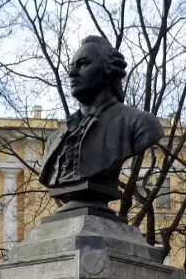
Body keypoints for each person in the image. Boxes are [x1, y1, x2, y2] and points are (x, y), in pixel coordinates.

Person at [39, 36, 163, 199]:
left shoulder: (140, 124)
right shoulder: (54, 140)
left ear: (108, 69)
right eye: (72, 66)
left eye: (83, 64)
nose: (72, 73)